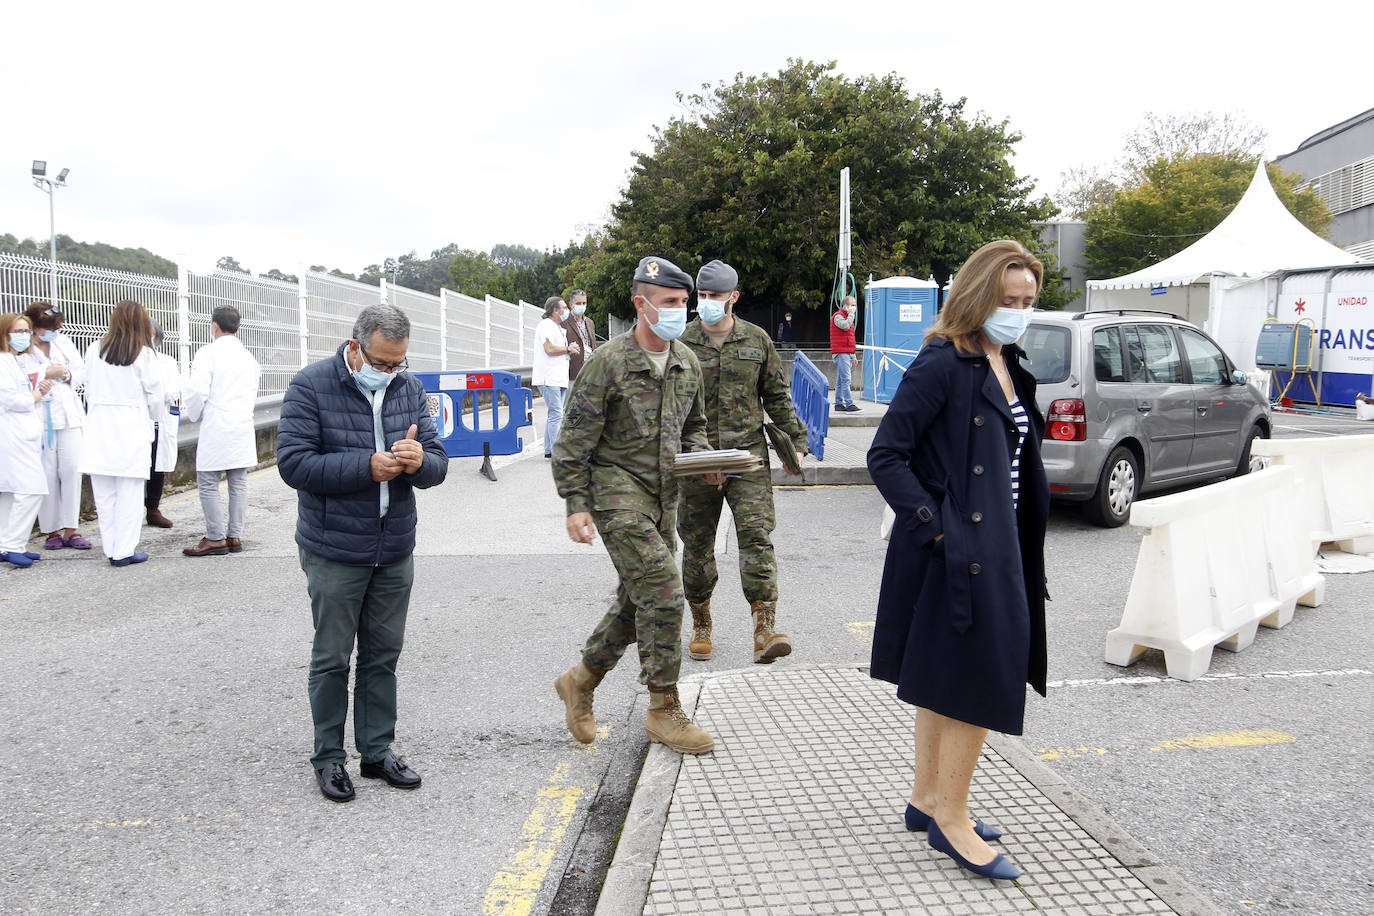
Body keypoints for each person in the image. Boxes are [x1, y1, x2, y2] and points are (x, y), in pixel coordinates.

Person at [866, 240, 1048, 881]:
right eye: (1009, 300)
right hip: (962, 553)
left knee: (947, 676)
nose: (1020, 311)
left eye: (1028, 300)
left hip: (1002, 545)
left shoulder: (1006, 361)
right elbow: (886, 455)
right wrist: (938, 532)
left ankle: (926, 798)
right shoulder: (944, 362)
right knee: (975, 682)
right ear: (977, 298)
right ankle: (952, 819)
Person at [277, 304, 449, 803]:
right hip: (334, 548)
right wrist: (363, 467)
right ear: (355, 348)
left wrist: (420, 464)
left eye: (399, 364)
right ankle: (329, 758)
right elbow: (293, 464)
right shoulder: (311, 386)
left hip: (393, 546)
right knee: (332, 658)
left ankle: (376, 751)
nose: (391, 372)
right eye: (382, 362)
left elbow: (438, 461)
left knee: (383, 655)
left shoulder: (409, 389)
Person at [552, 255, 719, 756]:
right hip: (615, 492)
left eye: (683, 303)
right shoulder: (608, 363)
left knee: (636, 600)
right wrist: (575, 504)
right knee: (666, 592)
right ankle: (662, 709)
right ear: (640, 304)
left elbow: (695, 426)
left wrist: (706, 457)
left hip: (664, 496)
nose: (679, 312)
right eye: (669, 303)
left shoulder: (686, 362)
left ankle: (581, 680)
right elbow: (573, 440)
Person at [678, 259, 808, 664]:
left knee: (756, 536)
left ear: (733, 297)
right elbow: (672, 404)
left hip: (747, 457)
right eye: (703, 295)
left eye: (716, 296)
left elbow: (777, 395)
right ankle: (701, 622)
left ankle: (764, 629)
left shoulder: (757, 341)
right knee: (697, 544)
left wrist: (797, 441)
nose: (708, 302)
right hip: (698, 459)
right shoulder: (681, 342)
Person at [79, 300, 164, 567]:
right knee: (129, 493)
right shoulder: (144, 353)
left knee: (104, 495)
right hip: (131, 426)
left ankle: (111, 547)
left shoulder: (95, 349)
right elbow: (156, 396)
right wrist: (152, 417)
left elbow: (88, 389)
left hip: (99, 425)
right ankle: (124, 550)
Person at [182, 306, 261, 557]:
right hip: (241, 425)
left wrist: (193, 414)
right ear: (237, 327)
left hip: (217, 424)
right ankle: (235, 536)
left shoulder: (208, 353)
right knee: (238, 482)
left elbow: (197, 392)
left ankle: (215, 537)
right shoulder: (249, 357)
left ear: (214, 325)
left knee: (208, 483)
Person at [18, 302, 92, 550]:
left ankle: (72, 528)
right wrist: (45, 372)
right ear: (35, 328)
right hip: (41, 415)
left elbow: (82, 371)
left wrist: (67, 374)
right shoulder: (23, 348)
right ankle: (51, 530)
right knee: (46, 473)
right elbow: (17, 378)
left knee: (71, 470)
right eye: (47, 328)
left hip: (69, 414)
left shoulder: (64, 342)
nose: (52, 331)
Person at [0, 312, 50, 568]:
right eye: (17, 331)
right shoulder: (2, 362)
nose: (22, 336)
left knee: (10, 493)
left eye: (26, 331)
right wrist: (35, 397)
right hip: (12, 434)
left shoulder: (16, 360)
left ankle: (6, 544)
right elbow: (12, 400)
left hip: (22, 434)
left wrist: (38, 391)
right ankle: (12, 545)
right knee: (32, 489)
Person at [145, 322, 183, 529]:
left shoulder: (167, 362)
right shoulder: (130, 361)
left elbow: (175, 389)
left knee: (157, 468)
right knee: (140, 467)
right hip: (140, 422)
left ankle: (153, 508)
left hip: (160, 422)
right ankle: (134, 510)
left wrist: (160, 393)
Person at [533, 297, 576, 459]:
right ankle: (556, 450)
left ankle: (549, 449)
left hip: (557, 377)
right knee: (557, 414)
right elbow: (549, 349)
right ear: (555, 310)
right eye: (564, 308)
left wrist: (569, 349)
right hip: (548, 377)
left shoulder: (557, 327)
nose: (566, 311)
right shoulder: (546, 326)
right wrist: (568, 349)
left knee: (555, 413)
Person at [831, 295, 861, 412]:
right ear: (845, 306)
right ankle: (849, 404)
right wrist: (851, 314)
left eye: (855, 305)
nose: (854, 308)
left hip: (846, 351)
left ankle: (838, 403)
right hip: (840, 352)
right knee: (846, 379)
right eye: (852, 305)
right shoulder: (838, 317)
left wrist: (853, 355)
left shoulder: (848, 317)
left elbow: (849, 337)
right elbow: (845, 326)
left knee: (840, 380)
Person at [563, 289, 596, 382]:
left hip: (590, 370)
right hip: (573, 373)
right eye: (578, 303)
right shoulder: (564, 322)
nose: (581, 306)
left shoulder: (589, 322)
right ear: (571, 304)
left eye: (584, 303)